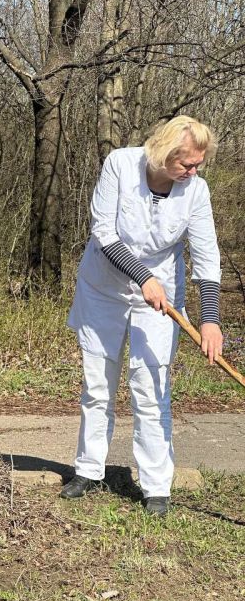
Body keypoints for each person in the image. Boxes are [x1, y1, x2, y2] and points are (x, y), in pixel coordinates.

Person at [62, 116, 222, 516]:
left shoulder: (196, 191)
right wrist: (141, 275)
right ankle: (88, 469)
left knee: (151, 387)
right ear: (163, 154)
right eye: (186, 163)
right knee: (98, 385)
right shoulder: (120, 164)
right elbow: (104, 231)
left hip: (161, 297)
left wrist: (210, 319)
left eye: (198, 164)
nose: (193, 171)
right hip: (104, 289)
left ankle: (156, 487)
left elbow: (206, 257)